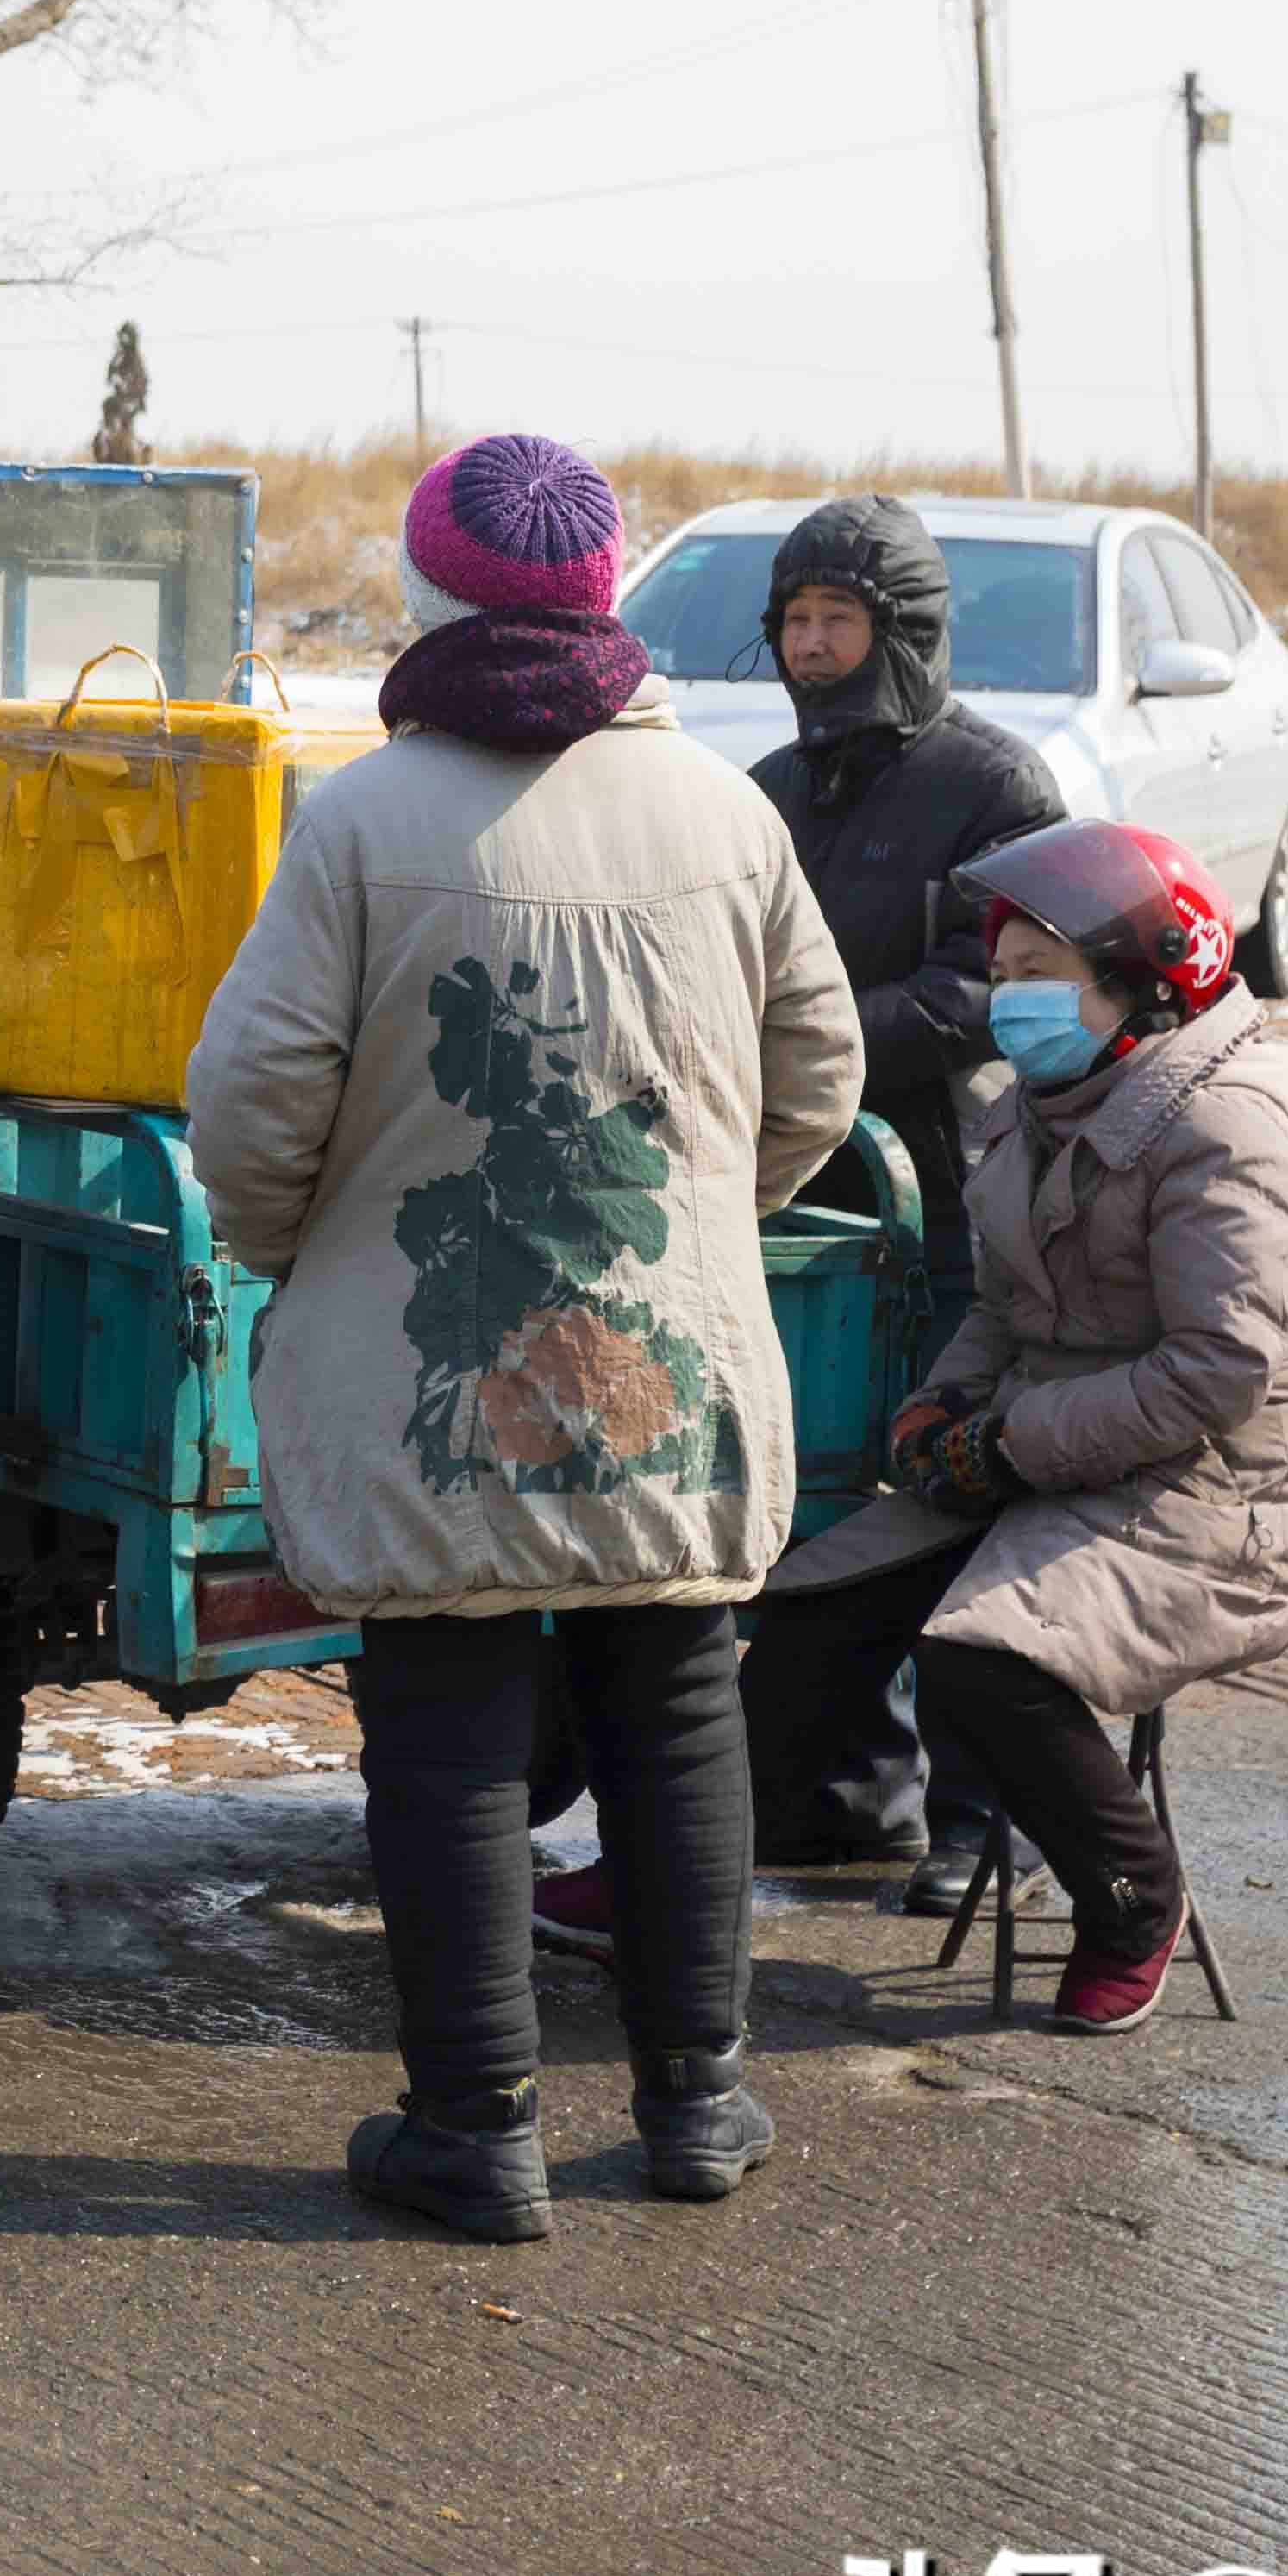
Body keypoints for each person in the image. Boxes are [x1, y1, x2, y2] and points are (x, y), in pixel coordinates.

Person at [184, 435, 861, 2243]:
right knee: (676, 1690)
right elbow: (821, 1078)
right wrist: (702, 1209)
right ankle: (699, 2098)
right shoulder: (728, 816)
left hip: (435, 1348)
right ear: (605, 594)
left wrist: (291, 1257)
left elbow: (253, 1103)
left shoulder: (362, 818)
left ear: (429, 596)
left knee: (446, 1708)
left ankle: (475, 2126)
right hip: (673, 1349)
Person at [727, 820, 1288, 2038]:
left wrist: (1009, 1442)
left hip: (1212, 1496)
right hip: (1055, 1459)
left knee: (986, 1660)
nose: (1011, 1003)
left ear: (1141, 984)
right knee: (812, 1600)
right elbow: (1001, 1311)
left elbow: (1216, 1372)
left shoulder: (1225, 1128)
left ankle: (1131, 1900)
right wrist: (944, 1405)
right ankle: (671, 1870)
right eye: (1003, 976)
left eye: (1040, 976)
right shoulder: (1037, 1105)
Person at [742, 493, 1066, 1905]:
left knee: (955, 1492)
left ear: (904, 633)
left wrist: (808, 1043)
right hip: (806, 1204)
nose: (813, 650)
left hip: (953, 1199)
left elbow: (993, 991)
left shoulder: (1000, 788)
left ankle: (992, 1812)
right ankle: (839, 1796)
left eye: (838, 622)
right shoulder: (759, 788)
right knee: (821, 1500)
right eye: (795, 623)